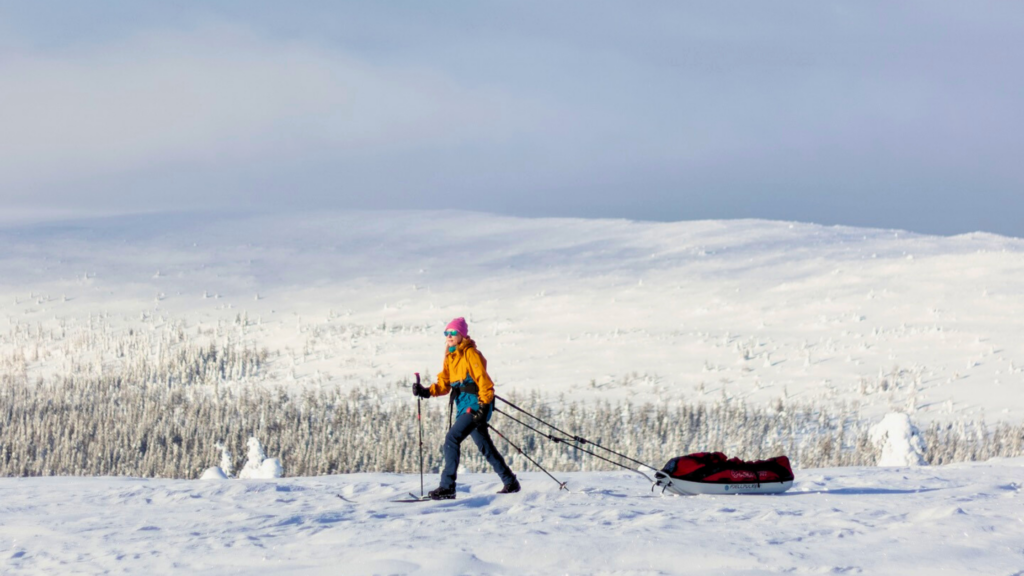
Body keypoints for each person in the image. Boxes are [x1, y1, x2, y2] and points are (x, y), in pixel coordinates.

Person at [413, 317, 520, 499]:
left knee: (452, 438)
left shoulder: (470, 353)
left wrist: (484, 407)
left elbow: (484, 381)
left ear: (462, 334)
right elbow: (444, 385)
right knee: (485, 446)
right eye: (447, 333)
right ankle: (510, 482)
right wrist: (426, 391)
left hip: (475, 404)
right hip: (463, 405)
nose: (449, 336)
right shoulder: (450, 356)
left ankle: (447, 487)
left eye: (454, 332)